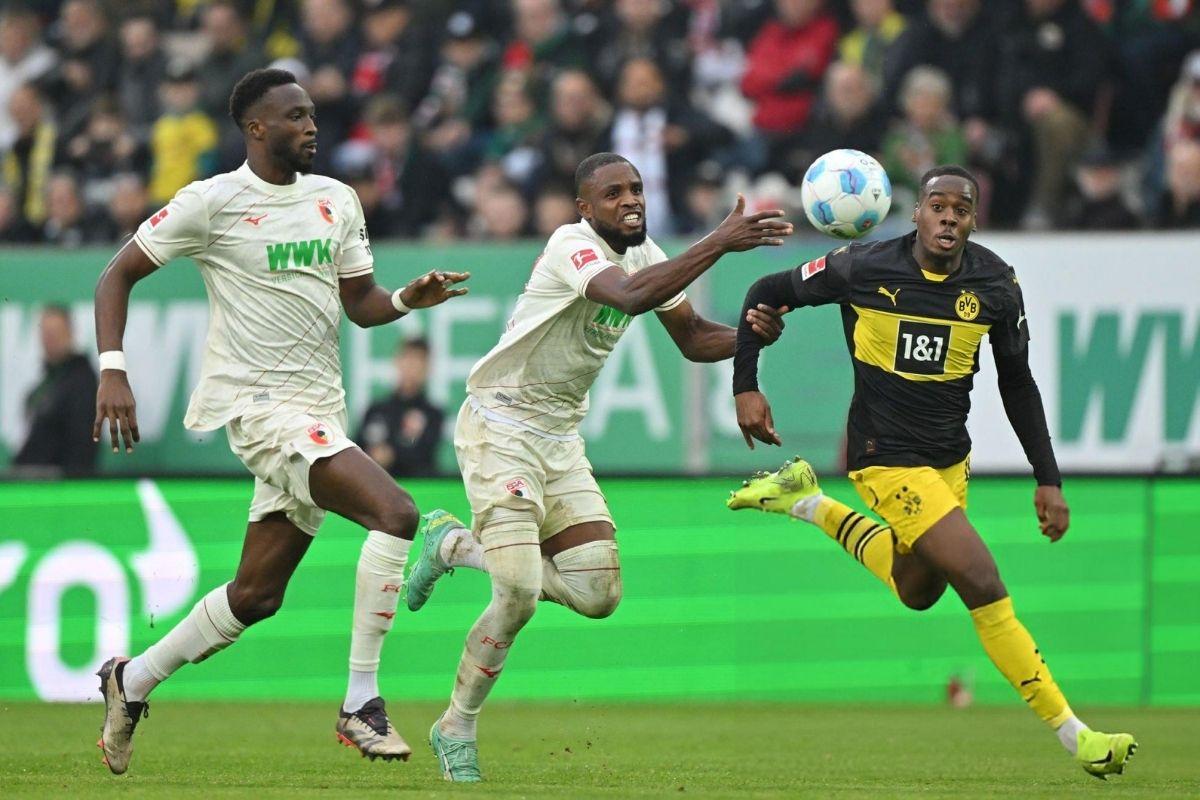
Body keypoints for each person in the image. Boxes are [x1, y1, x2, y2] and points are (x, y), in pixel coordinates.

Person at [91, 68, 470, 776]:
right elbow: (116, 274)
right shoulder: (211, 202)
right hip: (259, 410)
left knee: (256, 596)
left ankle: (130, 680)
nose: (311, 126)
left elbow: (360, 303)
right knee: (395, 513)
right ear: (255, 127)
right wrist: (113, 369)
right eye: (295, 116)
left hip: (319, 411)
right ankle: (360, 701)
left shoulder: (337, 199)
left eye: (313, 114)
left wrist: (405, 300)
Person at [726, 165, 1137, 780]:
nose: (948, 218)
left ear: (973, 220)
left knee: (918, 590)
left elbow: (1018, 384)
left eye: (961, 209)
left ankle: (806, 500)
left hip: (949, 461)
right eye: (937, 206)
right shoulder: (861, 268)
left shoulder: (995, 284)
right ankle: (1077, 735)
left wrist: (1047, 477)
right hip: (883, 457)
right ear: (916, 213)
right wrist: (746, 384)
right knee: (982, 581)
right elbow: (766, 289)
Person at [402, 152, 793, 782]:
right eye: (613, 193)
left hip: (559, 438)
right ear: (585, 208)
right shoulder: (572, 245)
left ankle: (453, 545)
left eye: (635, 188)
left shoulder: (646, 254)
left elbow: (693, 338)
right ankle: (456, 727)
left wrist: (752, 336)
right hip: (500, 426)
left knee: (599, 593)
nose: (630, 199)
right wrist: (720, 240)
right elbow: (630, 298)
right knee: (518, 595)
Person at [12, 305, 98, 476]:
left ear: (71, 333)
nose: (50, 339)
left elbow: (81, 444)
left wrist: (71, 481)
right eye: (45, 333)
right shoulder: (45, 384)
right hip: (31, 479)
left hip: (59, 482)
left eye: (56, 332)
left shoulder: (82, 381)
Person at [356, 337, 445, 478]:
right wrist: (372, 455)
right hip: (374, 485)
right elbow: (356, 448)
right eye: (408, 359)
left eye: (418, 361)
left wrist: (392, 455)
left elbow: (424, 453)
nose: (412, 367)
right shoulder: (376, 410)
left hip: (416, 486)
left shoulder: (433, 414)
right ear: (397, 361)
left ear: (427, 368)